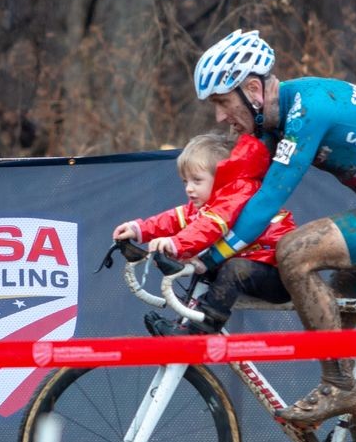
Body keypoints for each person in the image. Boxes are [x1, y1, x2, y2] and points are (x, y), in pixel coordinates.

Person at [191, 29, 356, 428]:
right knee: (336, 317)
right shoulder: (270, 122)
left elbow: (267, 200)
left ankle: (338, 387)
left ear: (252, 88)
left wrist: (214, 255)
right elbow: (238, 193)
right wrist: (177, 238)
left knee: (296, 252)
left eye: (223, 102)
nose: (220, 116)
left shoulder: (308, 109)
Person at [112, 131, 296, 334]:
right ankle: (184, 324)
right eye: (185, 182)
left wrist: (176, 244)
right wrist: (139, 229)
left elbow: (211, 225)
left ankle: (198, 330)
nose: (189, 189)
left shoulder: (238, 192)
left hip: (279, 273)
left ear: (221, 179)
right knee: (203, 264)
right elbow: (176, 217)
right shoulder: (208, 202)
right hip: (253, 267)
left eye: (196, 181)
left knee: (232, 268)